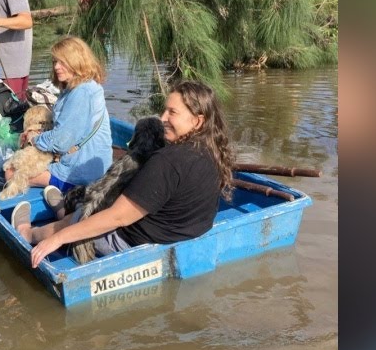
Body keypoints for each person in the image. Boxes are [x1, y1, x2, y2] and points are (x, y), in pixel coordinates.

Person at [14, 80, 236, 269]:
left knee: (81, 214)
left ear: (197, 121)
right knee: (87, 206)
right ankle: (63, 211)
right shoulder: (213, 151)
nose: (162, 117)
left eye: (172, 112)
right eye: (164, 110)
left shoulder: (166, 162)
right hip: (180, 233)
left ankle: (29, 234)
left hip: (130, 242)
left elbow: (117, 217)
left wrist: (58, 239)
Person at [5, 36, 112, 195]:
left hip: (82, 173)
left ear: (76, 61)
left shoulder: (81, 93)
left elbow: (61, 142)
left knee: (10, 172)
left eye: (62, 62)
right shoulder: (82, 86)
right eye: (55, 62)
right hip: (92, 163)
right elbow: (67, 131)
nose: (56, 67)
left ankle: (60, 205)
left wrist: (34, 139)